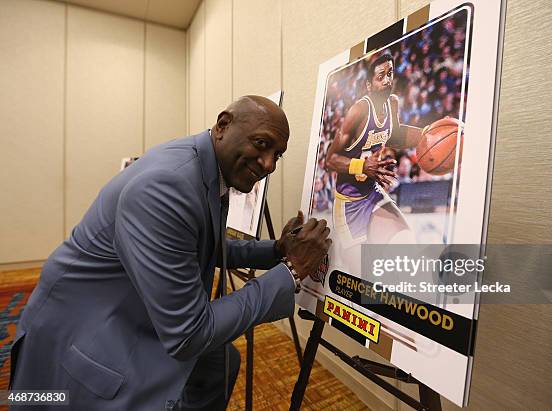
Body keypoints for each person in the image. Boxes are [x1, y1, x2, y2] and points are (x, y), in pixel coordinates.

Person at [9, 95, 331, 410]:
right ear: (223, 125)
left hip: (133, 305)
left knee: (220, 363)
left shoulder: (207, 166)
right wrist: (290, 271)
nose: (268, 164)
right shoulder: (166, 187)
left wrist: (276, 250)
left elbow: (204, 247)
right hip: (84, 332)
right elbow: (189, 334)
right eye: (262, 144)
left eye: (278, 155)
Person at [325, 53, 425, 273]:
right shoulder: (359, 110)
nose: (388, 80)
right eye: (382, 76)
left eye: (390, 73)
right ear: (370, 85)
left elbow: (394, 136)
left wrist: (426, 136)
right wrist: (362, 166)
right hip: (349, 202)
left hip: (372, 192)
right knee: (360, 281)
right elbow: (329, 160)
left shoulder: (393, 104)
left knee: (407, 245)